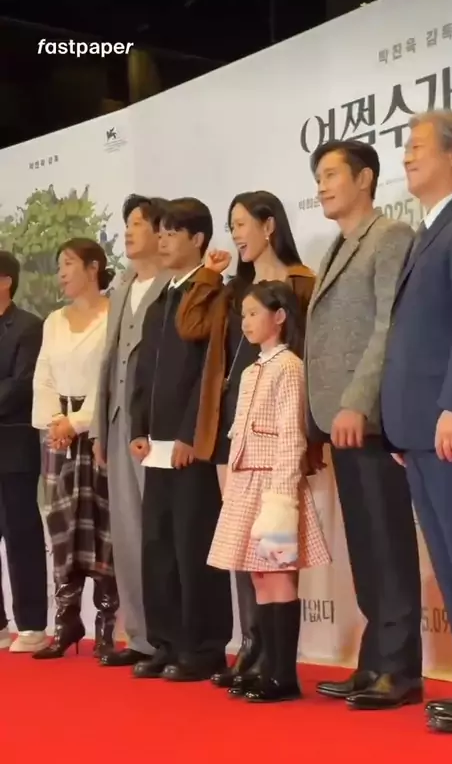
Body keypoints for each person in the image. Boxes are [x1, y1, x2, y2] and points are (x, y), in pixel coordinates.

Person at [176, 190, 315, 693]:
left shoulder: (300, 285)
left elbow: (308, 356)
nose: (234, 234)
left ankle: (276, 665)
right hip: (232, 432)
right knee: (246, 552)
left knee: (274, 557)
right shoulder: (233, 289)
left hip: (277, 444)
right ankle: (254, 650)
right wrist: (209, 277)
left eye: (240, 224)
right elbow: (191, 326)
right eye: (231, 225)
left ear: (268, 225)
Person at [306, 139, 423, 709]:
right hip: (338, 421)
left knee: (387, 543)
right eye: (318, 177)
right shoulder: (336, 247)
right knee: (365, 545)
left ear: (365, 178)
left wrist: (357, 401)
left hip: (369, 419)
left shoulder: (390, 236)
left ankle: (399, 670)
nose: (322, 186)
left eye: (331, 174)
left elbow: (387, 326)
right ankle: (375, 661)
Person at [381, 110, 452, 735]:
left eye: (418, 146)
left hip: (450, 426)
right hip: (418, 431)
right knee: (451, 564)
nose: (407, 156)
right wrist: (402, 423)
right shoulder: (430, 230)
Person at [208, 281, 330, 703]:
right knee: (259, 576)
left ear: (279, 317)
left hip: (273, 486)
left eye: (253, 313)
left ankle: (283, 675)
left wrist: (282, 497)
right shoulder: (249, 371)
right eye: (243, 315)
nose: (246, 323)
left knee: (278, 576)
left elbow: (292, 437)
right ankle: (267, 667)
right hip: (246, 483)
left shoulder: (290, 367)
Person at [130, 197, 232, 682]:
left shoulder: (210, 294)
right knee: (158, 546)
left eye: (173, 232)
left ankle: (204, 647)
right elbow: (142, 374)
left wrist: (193, 434)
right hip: (155, 445)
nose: (163, 240)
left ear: (198, 239)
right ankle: (165, 641)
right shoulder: (158, 301)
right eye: (161, 231)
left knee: (195, 546)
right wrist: (137, 429)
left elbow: (208, 374)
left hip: (193, 445)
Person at [91, 195, 171, 668]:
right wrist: (100, 428)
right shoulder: (122, 287)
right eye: (127, 223)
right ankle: (140, 637)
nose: (128, 230)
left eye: (138, 222)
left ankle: (167, 637)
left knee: (156, 534)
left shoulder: (172, 283)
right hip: (118, 423)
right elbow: (108, 360)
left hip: (155, 427)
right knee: (126, 534)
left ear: (161, 232)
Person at [31, 238, 119, 659]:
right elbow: (43, 376)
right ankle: (66, 622)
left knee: (103, 525)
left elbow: (112, 378)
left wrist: (78, 422)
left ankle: (106, 625)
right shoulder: (53, 321)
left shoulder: (115, 314)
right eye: (59, 266)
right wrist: (56, 422)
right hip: (58, 435)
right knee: (62, 525)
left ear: (93, 267)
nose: (61, 274)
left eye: (68, 264)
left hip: (98, 430)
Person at [0, 251, 48, 653]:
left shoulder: (29, 326)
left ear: (6, 281)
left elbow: (21, 384)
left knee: (21, 534)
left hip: (14, 446)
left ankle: (32, 625)